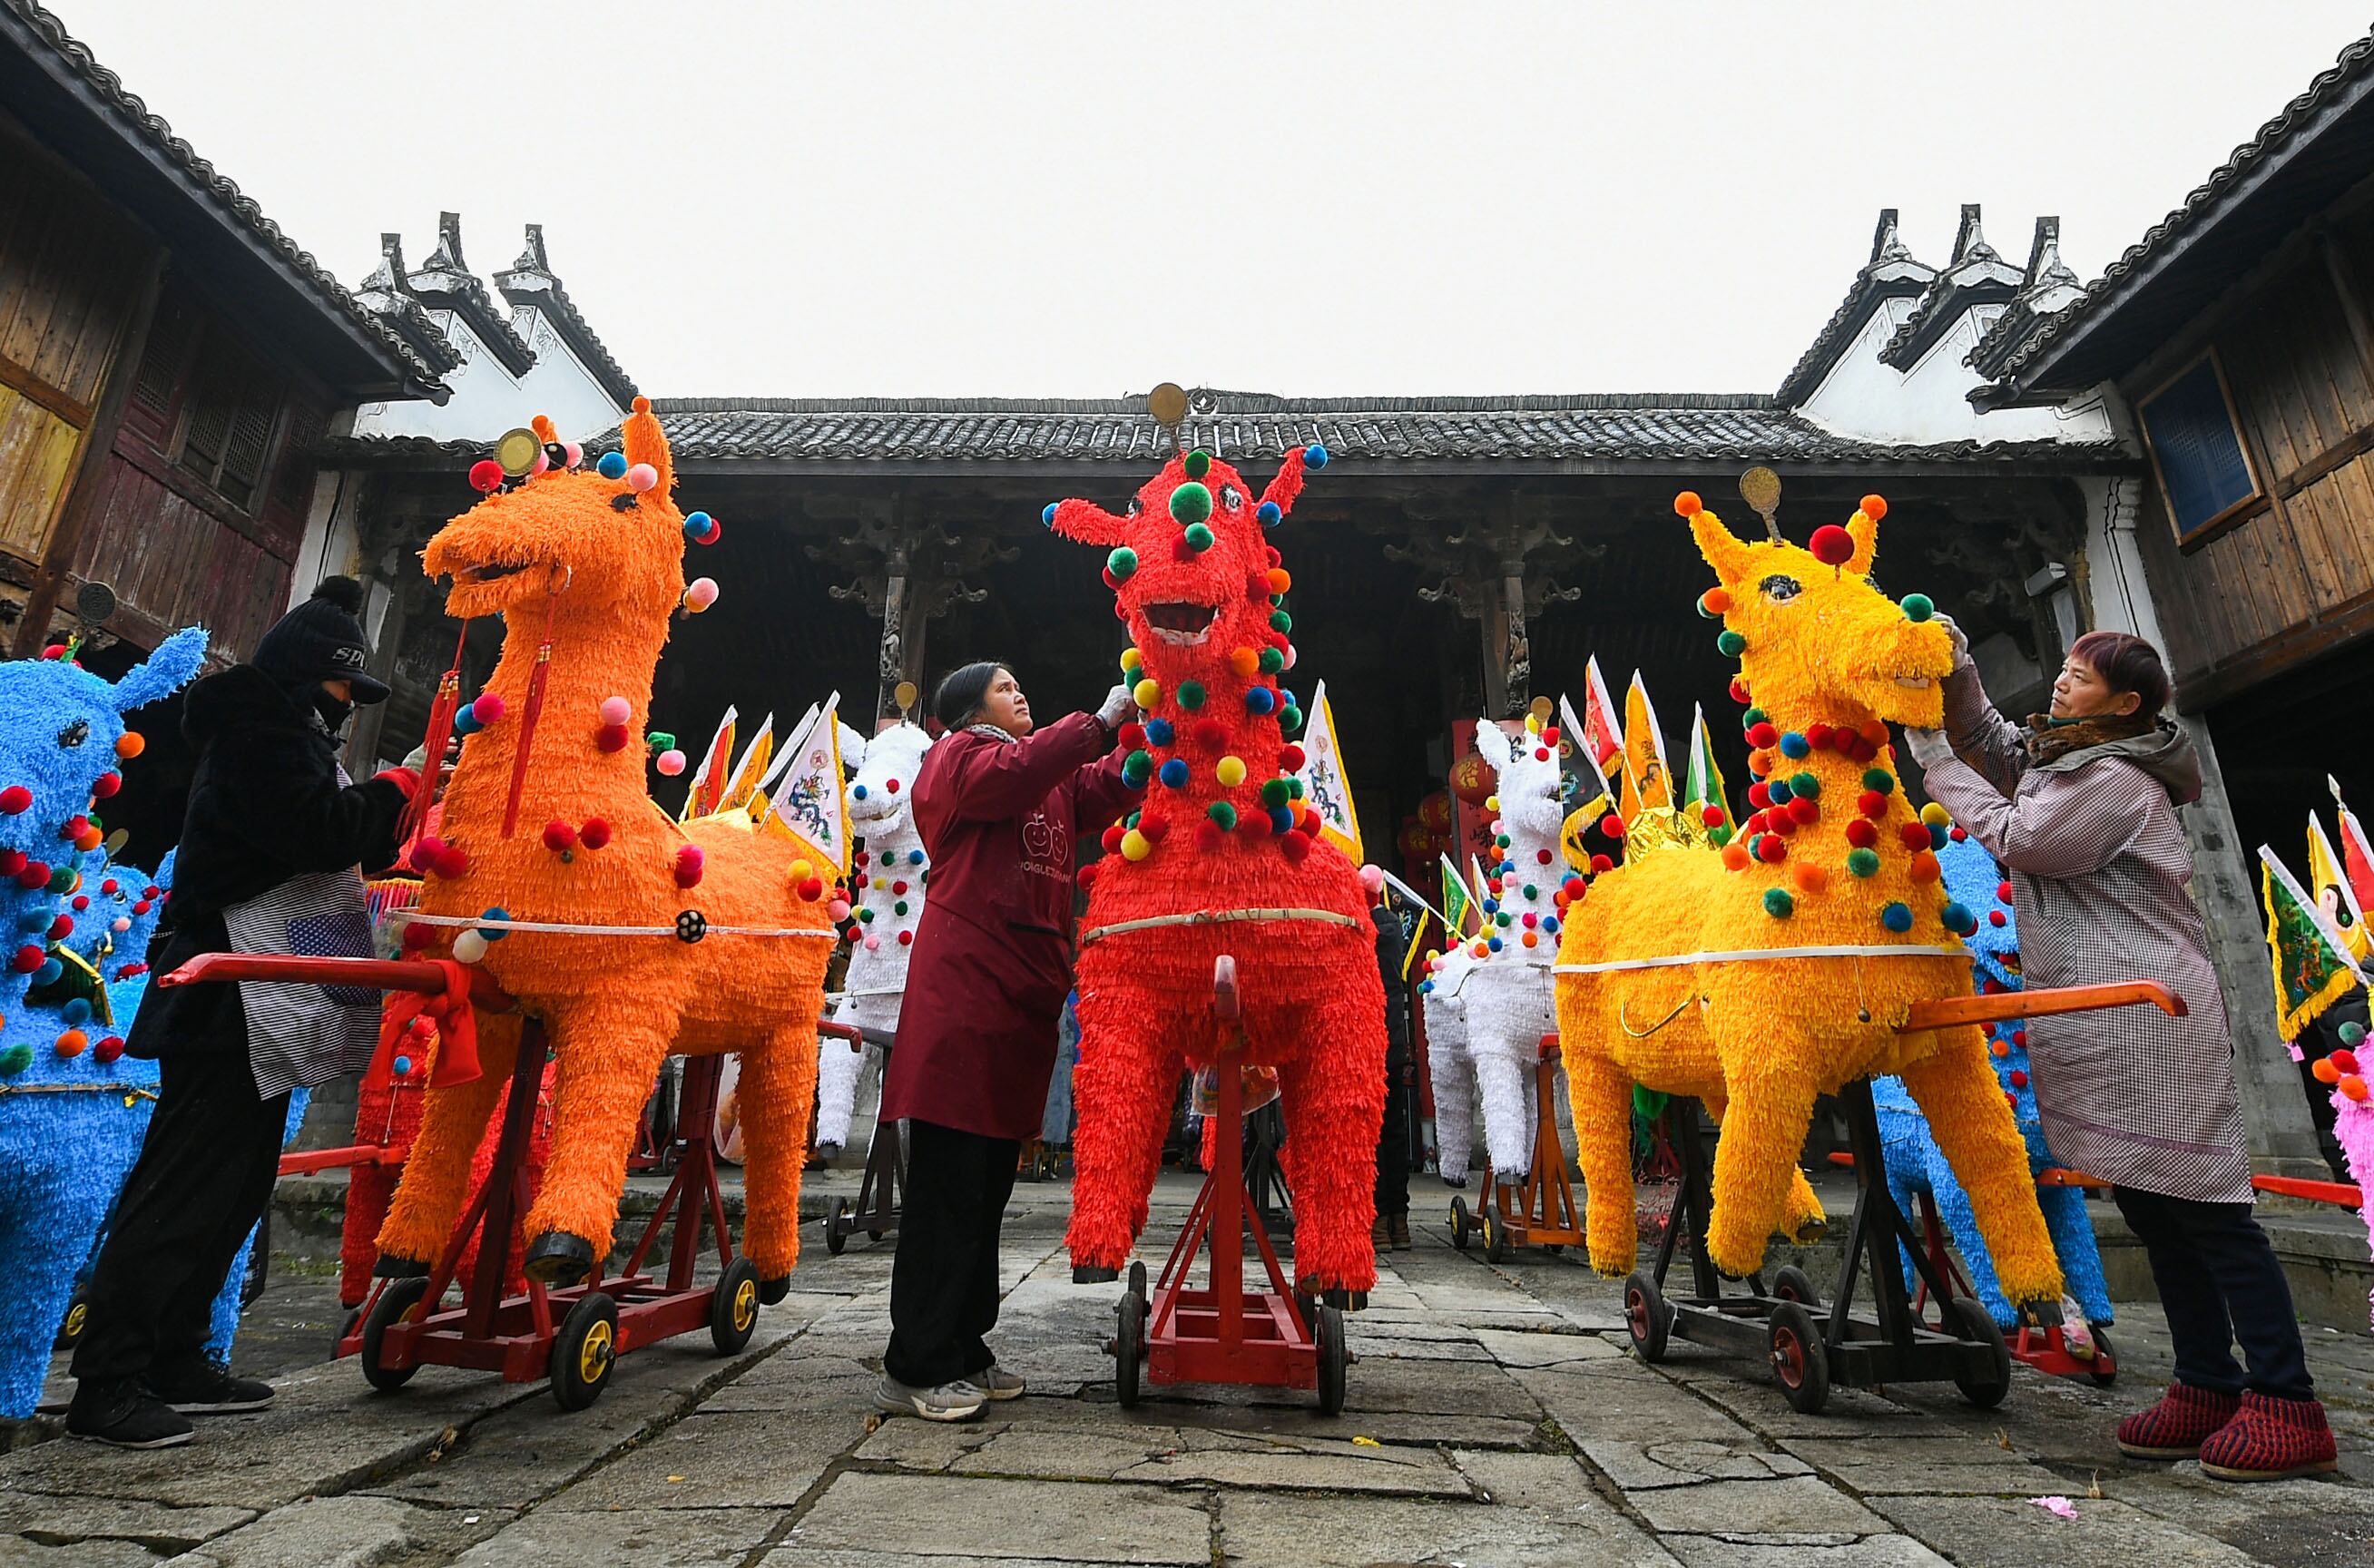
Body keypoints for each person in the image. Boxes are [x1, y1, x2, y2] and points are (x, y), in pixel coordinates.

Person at [1903, 626, 2336, 1483]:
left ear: (2127, 704)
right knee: (2153, 1210)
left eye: (2079, 679)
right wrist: (1955, 670)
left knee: (2211, 1213)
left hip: (2153, 1016)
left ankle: (2289, 1401)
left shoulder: (2115, 781)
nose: (2061, 686)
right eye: (2062, 671)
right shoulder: (2067, 755)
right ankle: (2208, 1381)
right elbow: (1994, 744)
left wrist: (1925, 751)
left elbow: (2016, 835)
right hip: (2104, 1017)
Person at [67, 578, 413, 1448]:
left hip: (264, 998)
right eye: (341, 689)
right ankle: (107, 1379)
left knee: (233, 1191)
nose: (345, 708)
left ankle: (176, 1353)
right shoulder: (260, 735)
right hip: (223, 997)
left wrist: (380, 805)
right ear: (308, 679)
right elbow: (317, 831)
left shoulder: (290, 733)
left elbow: (337, 829)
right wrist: (395, 792)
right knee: (183, 1188)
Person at [873, 662, 1136, 1421]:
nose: (1020, 692)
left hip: (1019, 996)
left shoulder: (1040, 779)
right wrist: (1097, 719)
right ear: (967, 711)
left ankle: (965, 1346)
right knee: (947, 1190)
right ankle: (916, 1363)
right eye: (1003, 686)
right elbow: (1024, 768)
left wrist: (1158, 728)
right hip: (965, 996)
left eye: (1023, 684)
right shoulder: (954, 760)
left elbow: (1103, 786)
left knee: (986, 1191)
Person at [1371, 895, 1414, 1250]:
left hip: (1370, 1043)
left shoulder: (1363, 932)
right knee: (1395, 1134)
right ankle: (1400, 1222)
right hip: (1395, 1046)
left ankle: (1380, 1220)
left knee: (1373, 1136)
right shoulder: (1394, 931)